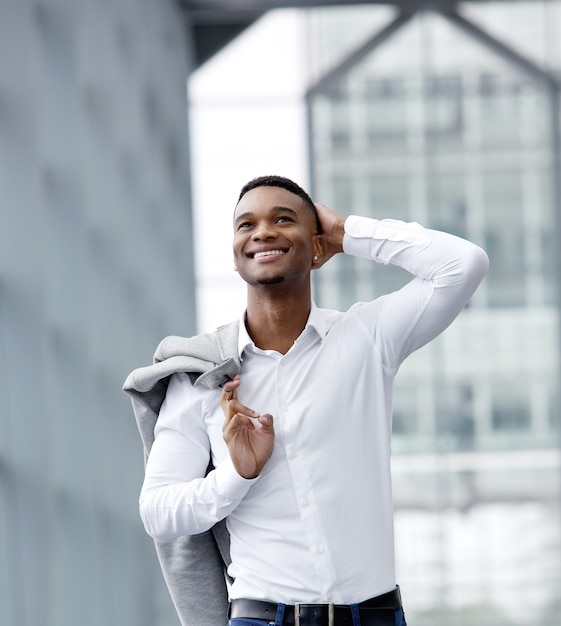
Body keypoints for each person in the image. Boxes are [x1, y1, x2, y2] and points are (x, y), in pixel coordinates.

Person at [132, 175, 489, 626]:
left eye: (284, 219)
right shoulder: (202, 376)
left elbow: (464, 264)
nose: (262, 232)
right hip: (260, 617)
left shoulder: (367, 337)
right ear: (236, 254)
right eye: (246, 225)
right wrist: (236, 475)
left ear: (315, 244)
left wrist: (346, 234)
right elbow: (157, 513)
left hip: (375, 615)